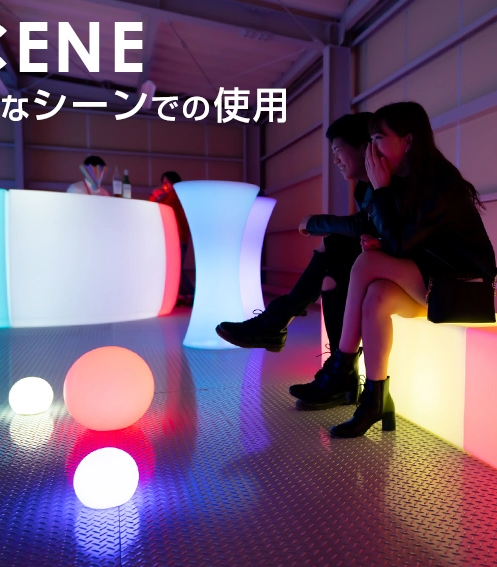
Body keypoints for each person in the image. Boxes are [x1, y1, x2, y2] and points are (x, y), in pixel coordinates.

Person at [302, 101, 496, 438]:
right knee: (376, 297)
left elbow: (400, 245)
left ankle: (342, 364)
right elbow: (399, 238)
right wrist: (379, 234)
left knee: (366, 263)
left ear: (407, 141)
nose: (371, 148)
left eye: (378, 138)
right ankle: (375, 399)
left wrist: (381, 193)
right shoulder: (402, 182)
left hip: (464, 288)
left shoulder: (440, 185)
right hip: (433, 283)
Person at [216, 112, 377, 409]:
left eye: (338, 150)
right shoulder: (366, 187)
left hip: (408, 265)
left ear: (363, 146)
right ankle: (340, 374)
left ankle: (278, 321)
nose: (336, 160)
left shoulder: (386, 182)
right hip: (378, 258)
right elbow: (365, 227)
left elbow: (366, 226)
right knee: (330, 279)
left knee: (333, 246)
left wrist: (315, 222)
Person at [149, 171, 194, 304]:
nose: (165, 186)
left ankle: (191, 293)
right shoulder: (170, 196)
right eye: (163, 183)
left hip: (179, 238)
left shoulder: (176, 196)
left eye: (167, 182)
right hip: (174, 238)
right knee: (174, 269)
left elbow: (163, 205)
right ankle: (184, 295)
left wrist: (157, 196)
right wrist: (156, 196)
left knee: (176, 269)